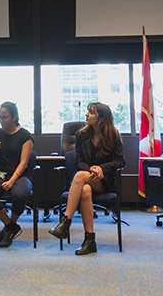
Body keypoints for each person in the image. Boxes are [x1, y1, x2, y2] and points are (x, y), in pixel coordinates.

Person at [48, 102, 124, 255]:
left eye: (91, 112)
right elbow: (79, 161)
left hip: (105, 181)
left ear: (101, 119)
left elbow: (120, 161)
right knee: (85, 190)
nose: (86, 115)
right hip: (85, 177)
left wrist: (101, 168)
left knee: (80, 177)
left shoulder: (113, 135)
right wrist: (91, 169)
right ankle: (90, 240)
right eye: (88, 112)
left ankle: (66, 222)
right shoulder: (81, 135)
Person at [0, 101, 33, 247]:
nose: (1, 120)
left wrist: (12, 181)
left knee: (20, 194)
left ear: (14, 118)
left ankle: (9, 227)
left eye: (4, 117)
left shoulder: (25, 136)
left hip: (21, 175)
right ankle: (11, 227)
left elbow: (23, 163)